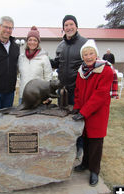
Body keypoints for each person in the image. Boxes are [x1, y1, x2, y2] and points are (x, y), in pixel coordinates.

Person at [72, 40, 114, 186]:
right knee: (85, 139)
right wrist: (77, 108)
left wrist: (84, 112)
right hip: (84, 111)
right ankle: (85, 163)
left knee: (96, 142)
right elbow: (77, 91)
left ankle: (94, 170)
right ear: (82, 56)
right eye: (85, 54)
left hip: (97, 113)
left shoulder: (106, 70)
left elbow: (100, 95)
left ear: (96, 54)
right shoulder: (81, 71)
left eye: (91, 53)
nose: (88, 57)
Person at [51, 15, 87, 158]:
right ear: (63, 28)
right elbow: (57, 63)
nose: (69, 27)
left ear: (76, 26)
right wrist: (42, 59)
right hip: (63, 90)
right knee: (63, 118)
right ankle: (65, 146)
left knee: (78, 120)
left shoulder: (85, 43)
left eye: (71, 24)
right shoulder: (61, 45)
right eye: (66, 25)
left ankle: (79, 148)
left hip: (78, 90)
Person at [18, 26, 52, 104]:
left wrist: (48, 96)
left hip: (39, 97)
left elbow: (48, 78)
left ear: (38, 42)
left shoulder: (44, 58)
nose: (32, 42)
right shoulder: (21, 58)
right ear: (27, 41)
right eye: (30, 40)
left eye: (35, 40)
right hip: (23, 97)